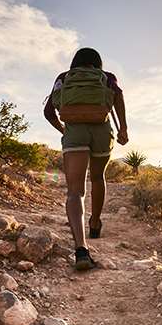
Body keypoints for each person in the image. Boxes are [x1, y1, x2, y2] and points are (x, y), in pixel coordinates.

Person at [44, 48, 128, 270]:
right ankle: (94, 223)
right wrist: (123, 130)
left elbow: (48, 112)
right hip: (101, 131)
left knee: (75, 191)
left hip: (75, 132)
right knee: (98, 177)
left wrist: (65, 130)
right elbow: (118, 97)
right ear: (98, 63)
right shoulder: (107, 77)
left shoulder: (64, 78)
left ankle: (81, 249)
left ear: (75, 63)